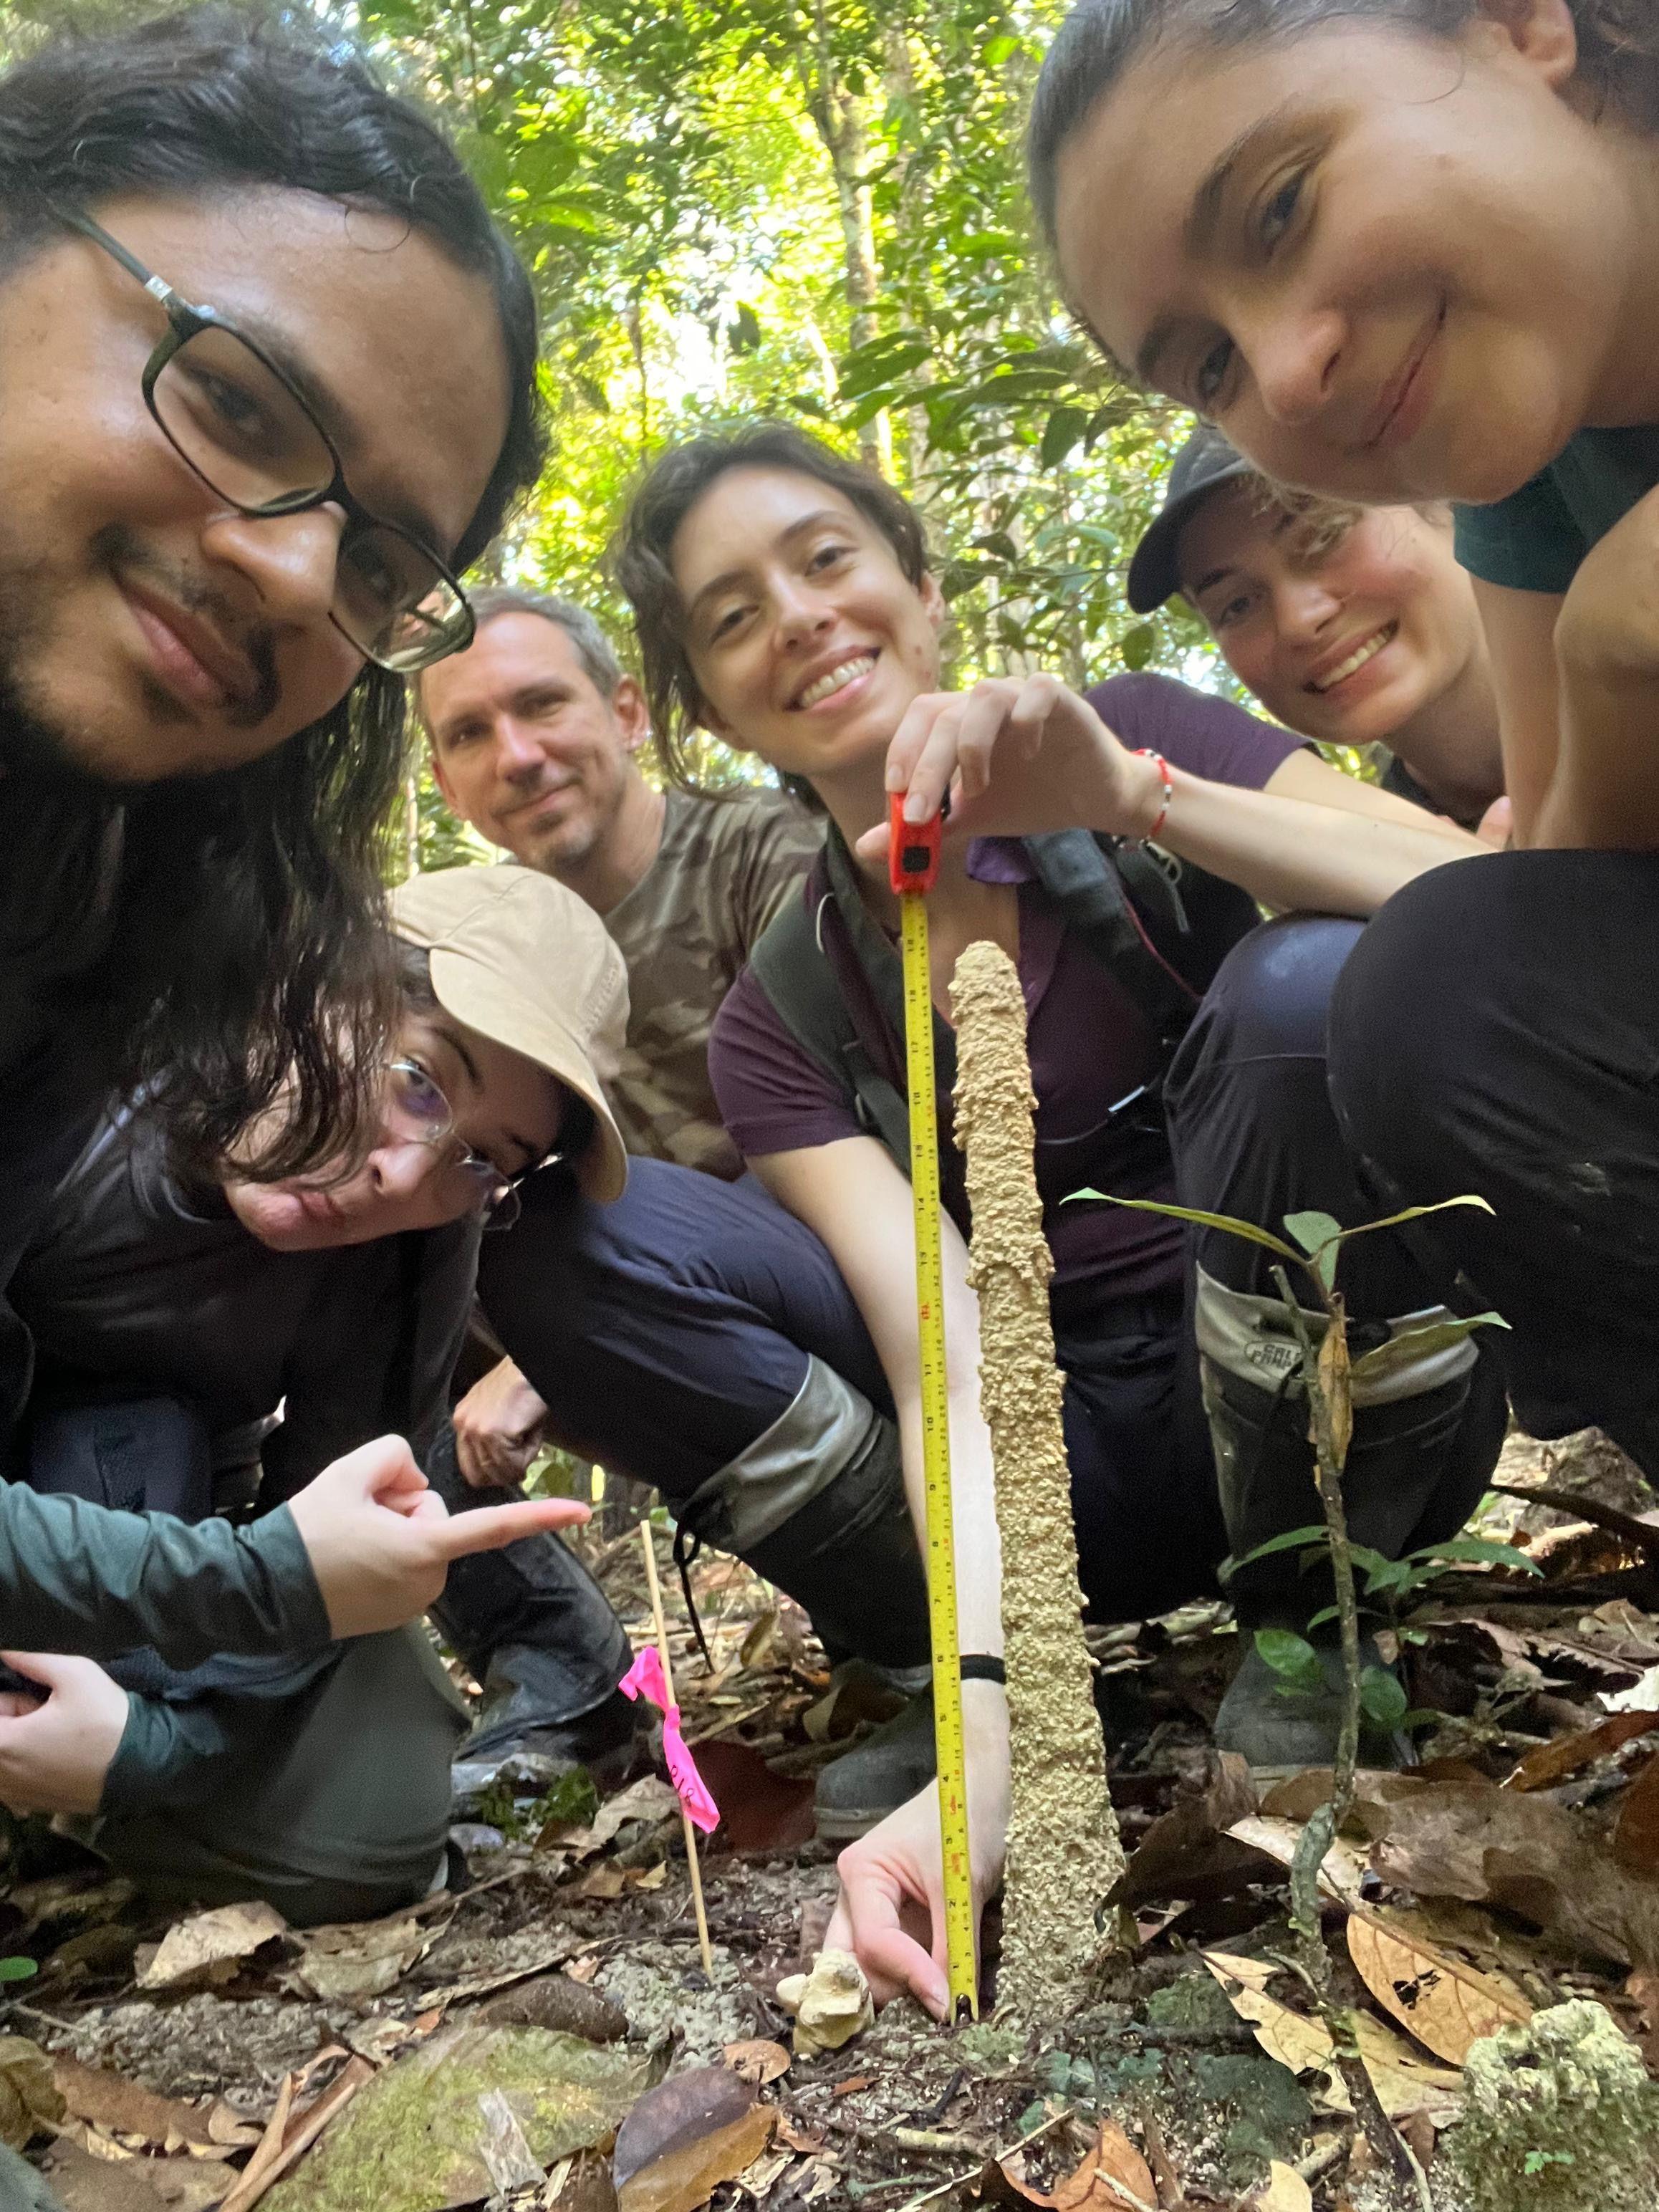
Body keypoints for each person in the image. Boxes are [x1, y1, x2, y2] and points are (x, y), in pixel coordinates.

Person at [610, 418, 1506, 2017]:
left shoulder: (1143, 733)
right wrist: (990, 1740)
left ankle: (1316, 1624)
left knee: (1306, 986)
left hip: (1313, 1395)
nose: (800, 617)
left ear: (921, 583)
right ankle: (986, 1676)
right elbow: (947, 1368)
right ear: (701, 702)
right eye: (731, 614)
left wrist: (1132, 791)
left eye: (827, 559)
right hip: (1077, 1455)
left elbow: (1459, 895)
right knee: (631, 1229)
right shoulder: (788, 1015)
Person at [1026, 0, 1659, 1481]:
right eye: (1205, 368)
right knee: (1438, 995)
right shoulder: (1538, 476)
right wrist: (1607, 652)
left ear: (1522, 23)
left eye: (1281, 206)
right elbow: (1545, 931)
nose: (1288, 371)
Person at [0, 9, 557, 1680]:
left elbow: (354, 1492)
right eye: (237, 402)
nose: (297, 575)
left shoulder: (109, 894)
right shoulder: (171, 1071)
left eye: (381, 561)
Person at [0, 865, 630, 1925]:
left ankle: (71, 1791)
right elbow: (281, 1577)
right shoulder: (70, 1050)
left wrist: (159, 1748)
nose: (407, 1174)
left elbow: (331, 1540)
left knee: (374, 1823)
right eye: (420, 1079)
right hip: (110, 1543)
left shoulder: (420, 1241)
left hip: (141, 1527)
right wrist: (254, 1586)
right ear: (310, 981)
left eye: (481, 1157)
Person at [415, 588, 827, 1509]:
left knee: (553, 1255)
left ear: (628, 711)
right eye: (471, 734)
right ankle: (546, 1644)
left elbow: (850, 1139)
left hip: (844, 1277)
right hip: (654, 1331)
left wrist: (540, 1361)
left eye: (542, 704)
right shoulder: (489, 953)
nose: (518, 756)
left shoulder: (758, 853)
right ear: (446, 784)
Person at [1128, 424, 1506, 830]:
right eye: (1237, 605)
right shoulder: (1370, 876)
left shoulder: (1586, 642)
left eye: (1325, 537)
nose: (1297, 622)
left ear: (1449, 506)